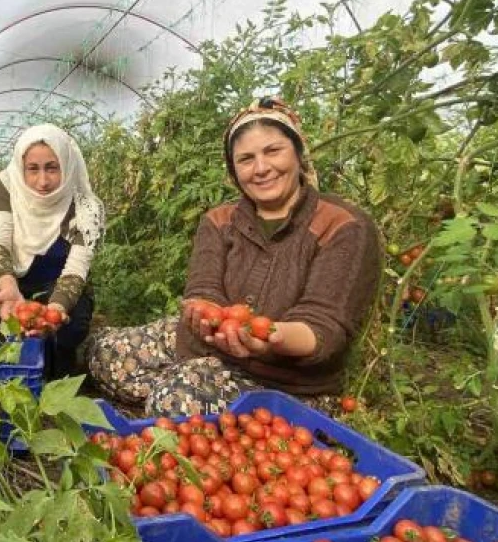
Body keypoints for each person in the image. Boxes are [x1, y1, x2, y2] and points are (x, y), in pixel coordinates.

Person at [86, 97, 381, 417]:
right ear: (233, 170)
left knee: (176, 401)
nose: (261, 168)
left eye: (273, 151)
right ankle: (187, 375)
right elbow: (204, 287)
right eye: (246, 159)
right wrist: (205, 313)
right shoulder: (219, 220)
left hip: (286, 382)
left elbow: (324, 328)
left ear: (298, 153)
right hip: (203, 344)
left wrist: (271, 337)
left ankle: (186, 385)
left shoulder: (344, 225)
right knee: (101, 354)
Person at [0, 123, 105, 380]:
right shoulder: (9, 186)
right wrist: (7, 287)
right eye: (33, 169)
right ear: (21, 168)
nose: (43, 181)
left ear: (67, 166)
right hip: (13, 284)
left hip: (55, 287)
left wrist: (54, 311)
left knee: (74, 320)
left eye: (52, 168)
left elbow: (75, 271)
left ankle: (56, 355)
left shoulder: (85, 208)